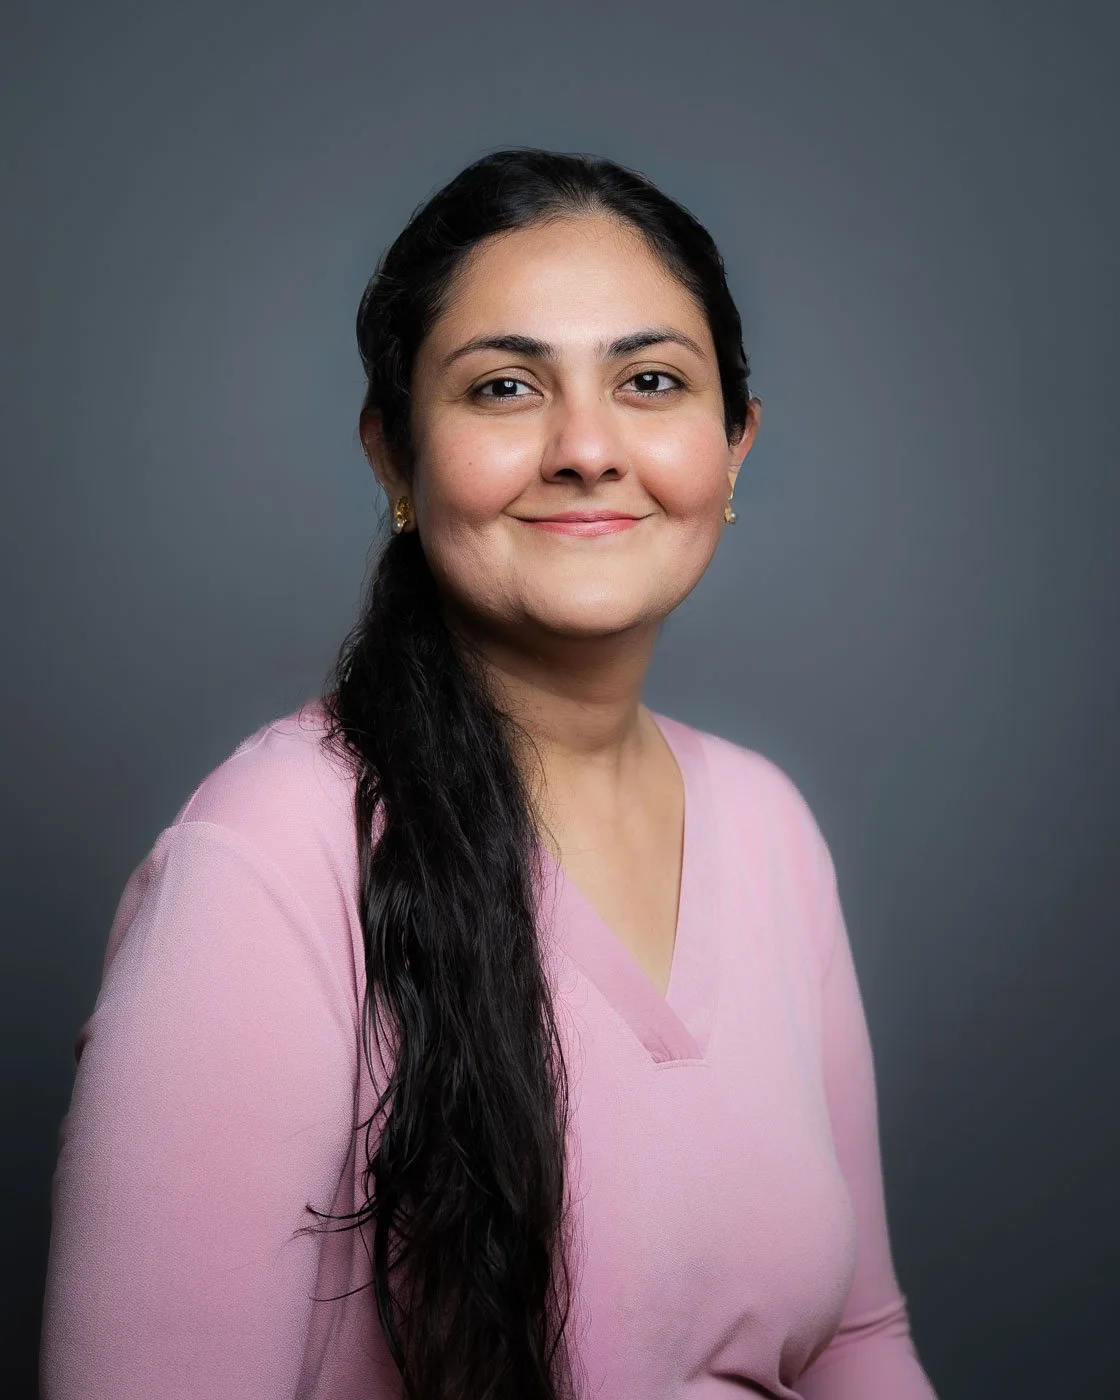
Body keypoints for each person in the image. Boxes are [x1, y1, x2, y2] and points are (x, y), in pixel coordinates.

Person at [40, 147, 939, 1400]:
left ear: (732, 447)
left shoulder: (770, 822)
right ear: (395, 458)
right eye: (506, 385)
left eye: (650, 380)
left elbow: (853, 1341)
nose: (586, 446)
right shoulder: (266, 856)